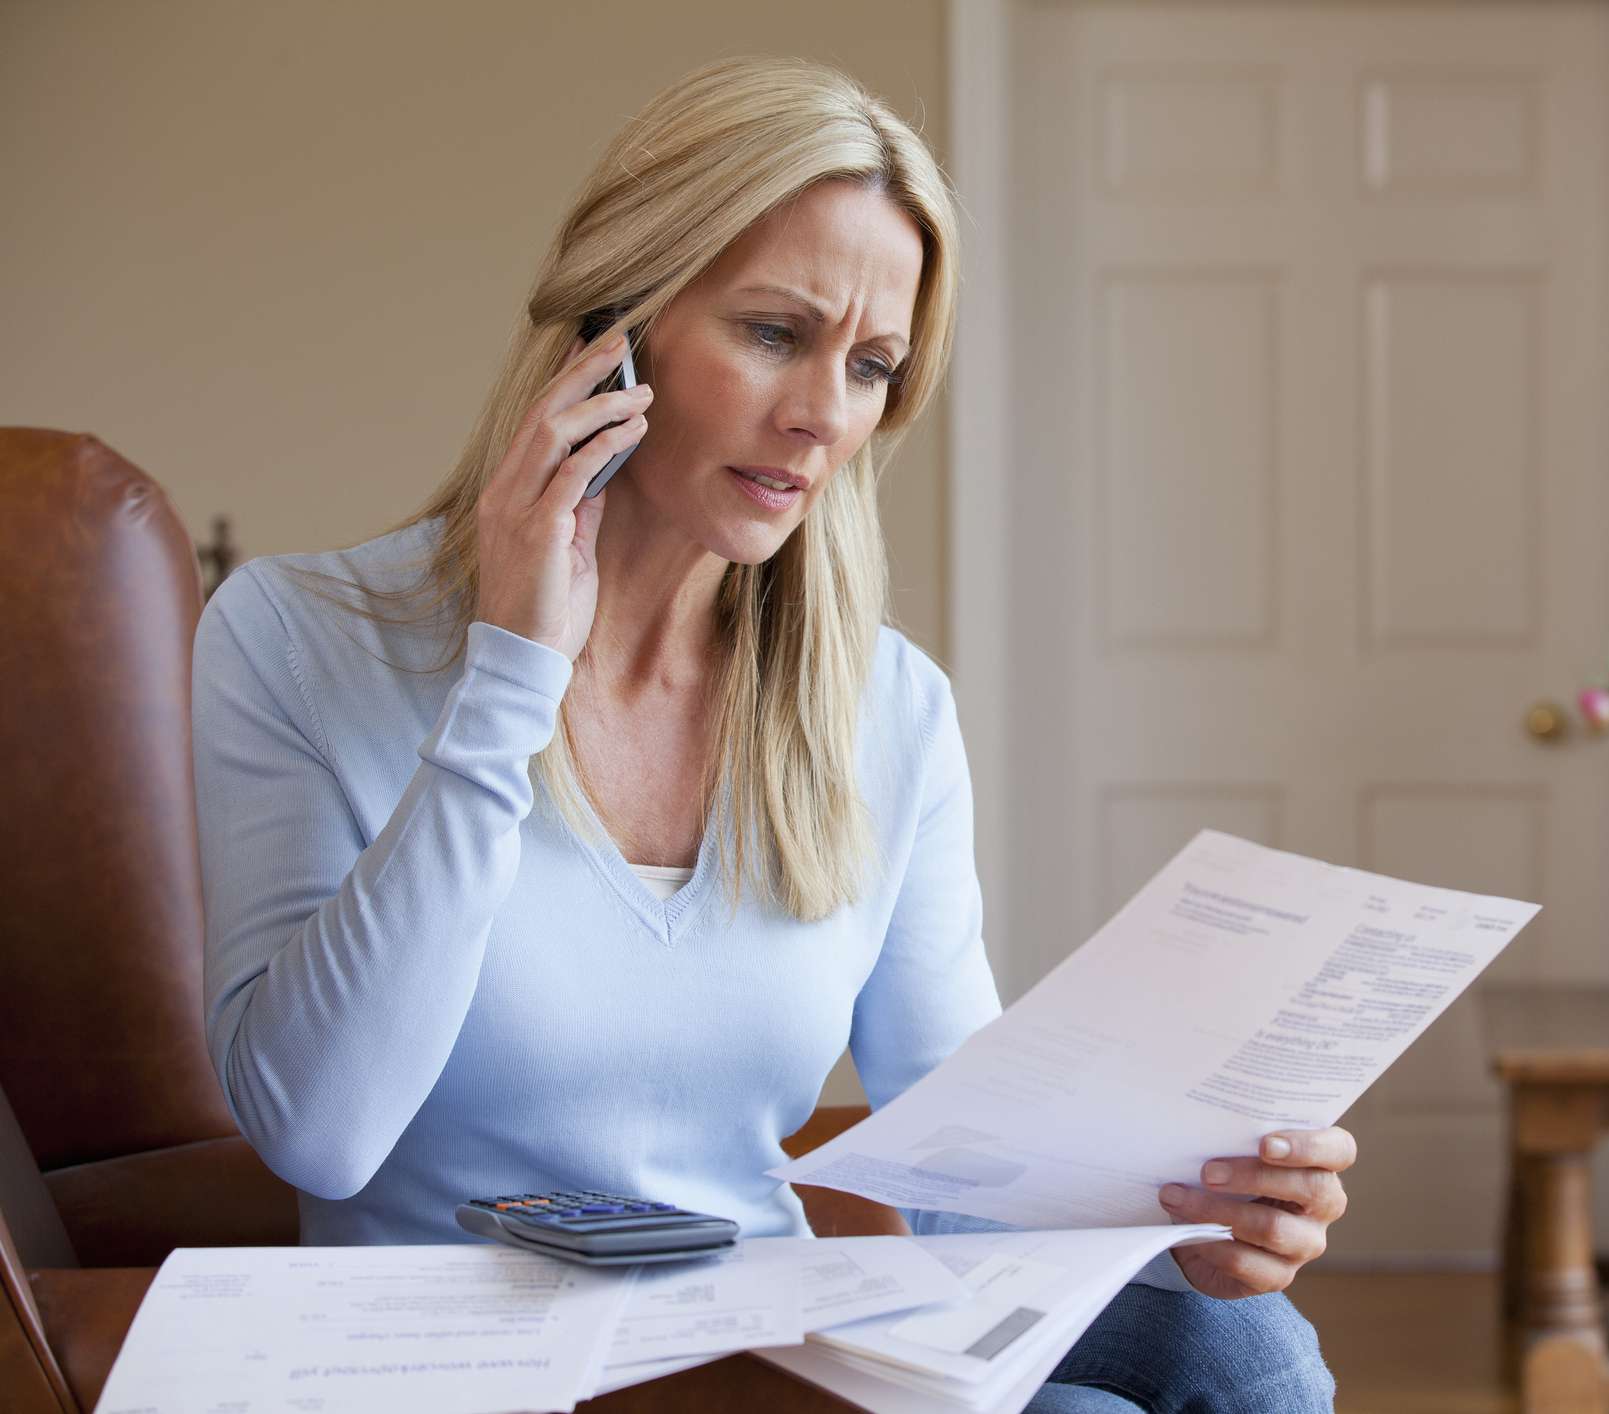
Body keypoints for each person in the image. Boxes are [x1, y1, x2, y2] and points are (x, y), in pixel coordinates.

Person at [190, 55, 1345, 1412]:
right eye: (773, 333)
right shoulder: (295, 637)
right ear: (610, 329)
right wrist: (510, 674)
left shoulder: (885, 705)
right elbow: (318, 1136)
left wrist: (1194, 1213)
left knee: (1246, 1345)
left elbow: (962, 1156)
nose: (820, 416)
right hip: (467, 1362)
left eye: (869, 366)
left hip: (769, 1339)